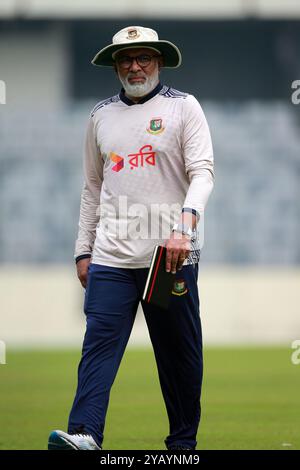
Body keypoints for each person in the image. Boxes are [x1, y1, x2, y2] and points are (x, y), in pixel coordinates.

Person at [48, 25, 214, 451]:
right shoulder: (100, 116)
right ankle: (85, 435)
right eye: (126, 59)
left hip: (169, 257)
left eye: (143, 58)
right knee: (97, 349)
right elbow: (92, 186)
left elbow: (203, 174)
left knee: (179, 357)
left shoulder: (184, 108)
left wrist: (184, 228)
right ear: (115, 65)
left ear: (158, 61)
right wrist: (83, 250)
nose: (134, 66)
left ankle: (182, 445)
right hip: (111, 259)